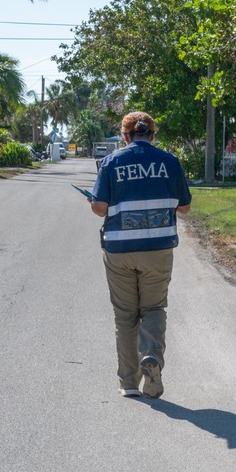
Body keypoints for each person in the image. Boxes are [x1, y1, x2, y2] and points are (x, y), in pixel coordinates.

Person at [89, 112, 192, 399]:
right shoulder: (170, 163)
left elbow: (100, 208)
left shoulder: (111, 162)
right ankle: (152, 357)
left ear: (125, 136)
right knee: (154, 309)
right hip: (158, 249)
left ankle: (129, 383)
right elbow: (184, 208)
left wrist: (94, 201)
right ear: (152, 135)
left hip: (119, 250)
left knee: (125, 315)